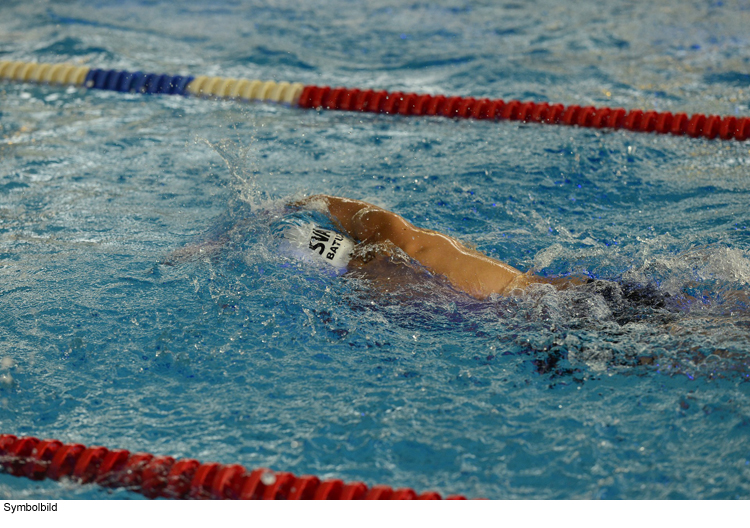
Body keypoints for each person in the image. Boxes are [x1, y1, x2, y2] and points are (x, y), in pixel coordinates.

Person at [288, 194, 550, 300]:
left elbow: (320, 203)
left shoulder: (397, 239)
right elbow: (321, 202)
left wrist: (285, 207)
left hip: (539, 304)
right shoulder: (391, 237)